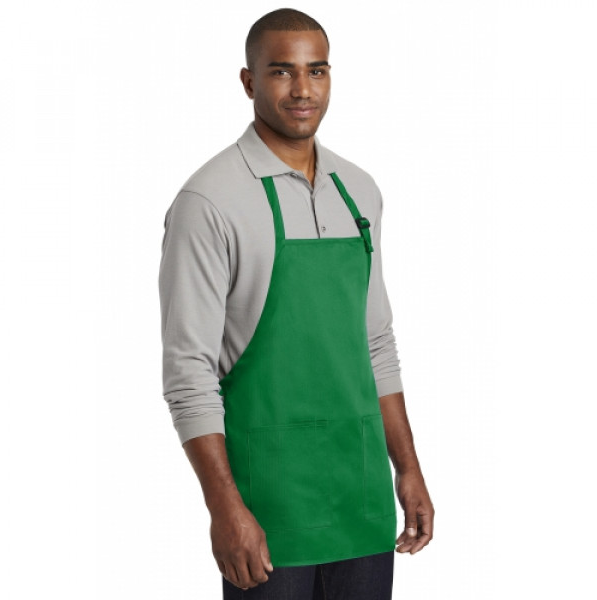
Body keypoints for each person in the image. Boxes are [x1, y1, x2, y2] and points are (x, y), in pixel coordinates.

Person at [158, 8, 434, 599]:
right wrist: (224, 508)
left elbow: (375, 343)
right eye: (282, 71)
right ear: (249, 81)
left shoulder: (359, 190)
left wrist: (407, 468)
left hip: (361, 498)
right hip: (267, 508)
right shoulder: (209, 200)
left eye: (317, 70)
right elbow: (188, 372)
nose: (303, 89)